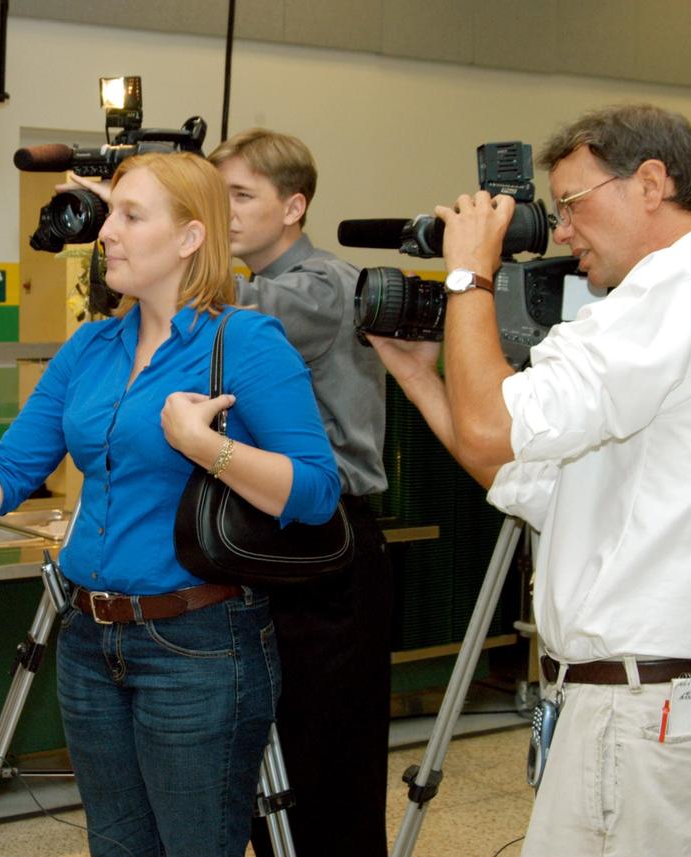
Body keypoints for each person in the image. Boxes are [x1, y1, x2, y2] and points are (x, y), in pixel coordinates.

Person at [0, 151, 341, 857]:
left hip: (197, 645)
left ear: (191, 238)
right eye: (112, 214)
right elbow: (6, 471)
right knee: (118, 847)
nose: (106, 232)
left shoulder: (245, 342)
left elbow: (316, 491)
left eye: (132, 216)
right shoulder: (91, 347)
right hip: (91, 642)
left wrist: (204, 444)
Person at [371, 103, 691, 856]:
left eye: (572, 205)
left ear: (651, 182)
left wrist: (469, 274)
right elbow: (512, 466)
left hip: (647, 713)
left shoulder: (683, 290)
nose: (563, 231)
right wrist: (421, 379)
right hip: (655, 704)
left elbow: (492, 428)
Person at [207, 128, 391, 857]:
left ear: (294, 206)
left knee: (327, 776)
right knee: (266, 766)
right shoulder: (254, 283)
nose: (223, 212)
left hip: (331, 546)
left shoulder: (324, 284)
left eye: (239, 196)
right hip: (265, 541)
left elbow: (244, 314)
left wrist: (162, 242)